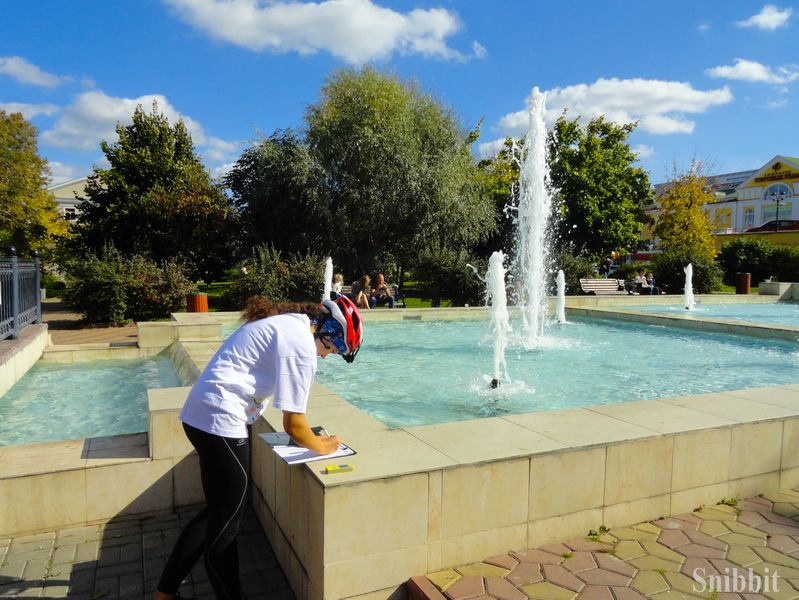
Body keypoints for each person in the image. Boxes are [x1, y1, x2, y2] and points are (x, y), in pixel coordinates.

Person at [154, 295, 364, 600]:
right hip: (220, 421)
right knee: (225, 531)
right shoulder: (303, 345)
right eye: (333, 347)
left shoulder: (290, 324)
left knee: (217, 514)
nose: (328, 355)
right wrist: (324, 446)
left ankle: (164, 595)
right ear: (326, 331)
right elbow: (293, 424)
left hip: (201, 415)